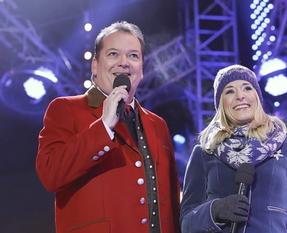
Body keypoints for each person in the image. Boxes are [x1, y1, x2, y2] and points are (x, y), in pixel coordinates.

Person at [36, 21, 180, 233]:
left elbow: (171, 199)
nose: (124, 63)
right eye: (113, 54)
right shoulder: (65, 109)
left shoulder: (157, 124)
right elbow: (50, 175)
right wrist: (103, 126)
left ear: (141, 69)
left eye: (133, 56)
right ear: (95, 65)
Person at [180, 64, 287, 232]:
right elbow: (185, 224)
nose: (240, 96)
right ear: (221, 104)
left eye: (247, 88)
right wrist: (215, 210)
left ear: (257, 97)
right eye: (229, 91)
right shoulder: (204, 153)